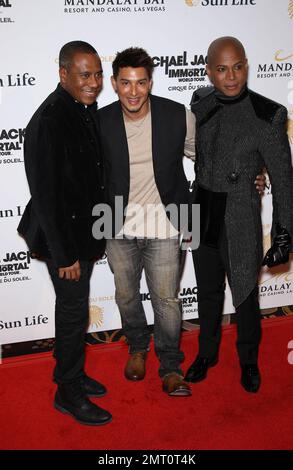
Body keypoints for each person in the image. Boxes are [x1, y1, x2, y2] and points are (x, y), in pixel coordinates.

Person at [97, 47, 266, 396]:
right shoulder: (100, 121)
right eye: (125, 83)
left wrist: (254, 170)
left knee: (167, 300)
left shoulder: (176, 115)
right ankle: (137, 348)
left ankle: (171, 365)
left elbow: (209, 156)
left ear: (150, 82)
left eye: (140, 82)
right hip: (115, 221)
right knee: (126, 295)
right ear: (114, 83)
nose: (133, 91)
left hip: (169, 220)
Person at [185, 37, 293, 393]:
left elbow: (283, 179)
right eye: (221, 68)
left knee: (245, 292)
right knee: (208, 290)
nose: (231, 76)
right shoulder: (199, 103)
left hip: (240, 211)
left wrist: (283, 233)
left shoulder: (268, 113)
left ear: (247, 65)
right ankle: (206, 353)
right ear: (208, 71)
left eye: (238, 66)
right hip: (201, 207)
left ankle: (248, 360)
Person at [17, 41, 112, 425]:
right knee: (73, 313)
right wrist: (65, 254)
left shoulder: (81, 107)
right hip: (63, 239)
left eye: (97, 74)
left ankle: (68, 373)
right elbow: (45, 195)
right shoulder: (49, 120)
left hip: (81, 232)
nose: (94, 82)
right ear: (63, 74)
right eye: (85, 75)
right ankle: (68, 393)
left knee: (72, 311)